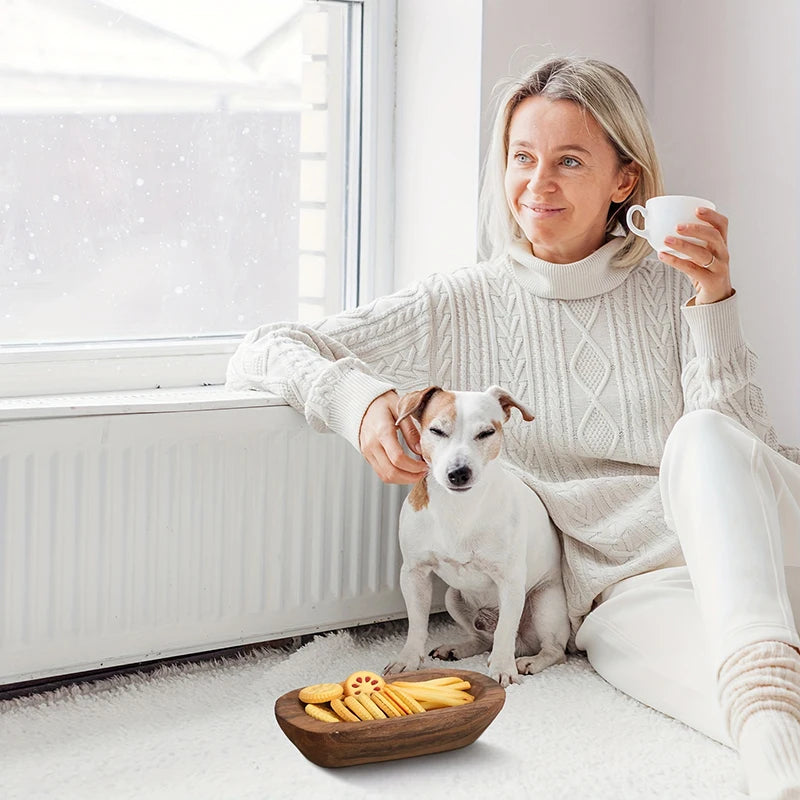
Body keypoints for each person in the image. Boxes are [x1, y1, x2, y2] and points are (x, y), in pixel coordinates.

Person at [227, 56, 800, 798]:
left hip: (762, 533)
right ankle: (777, 766)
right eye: (522, 158)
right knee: (740, 700)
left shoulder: (674, 286)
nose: (538, 184)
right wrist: (361, 402)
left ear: (624, 180)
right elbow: (263, 347)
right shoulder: (459, 305)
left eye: (568, 160)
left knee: (704, 437)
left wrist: (713, 302)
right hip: (621, 587)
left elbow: (744, 448)